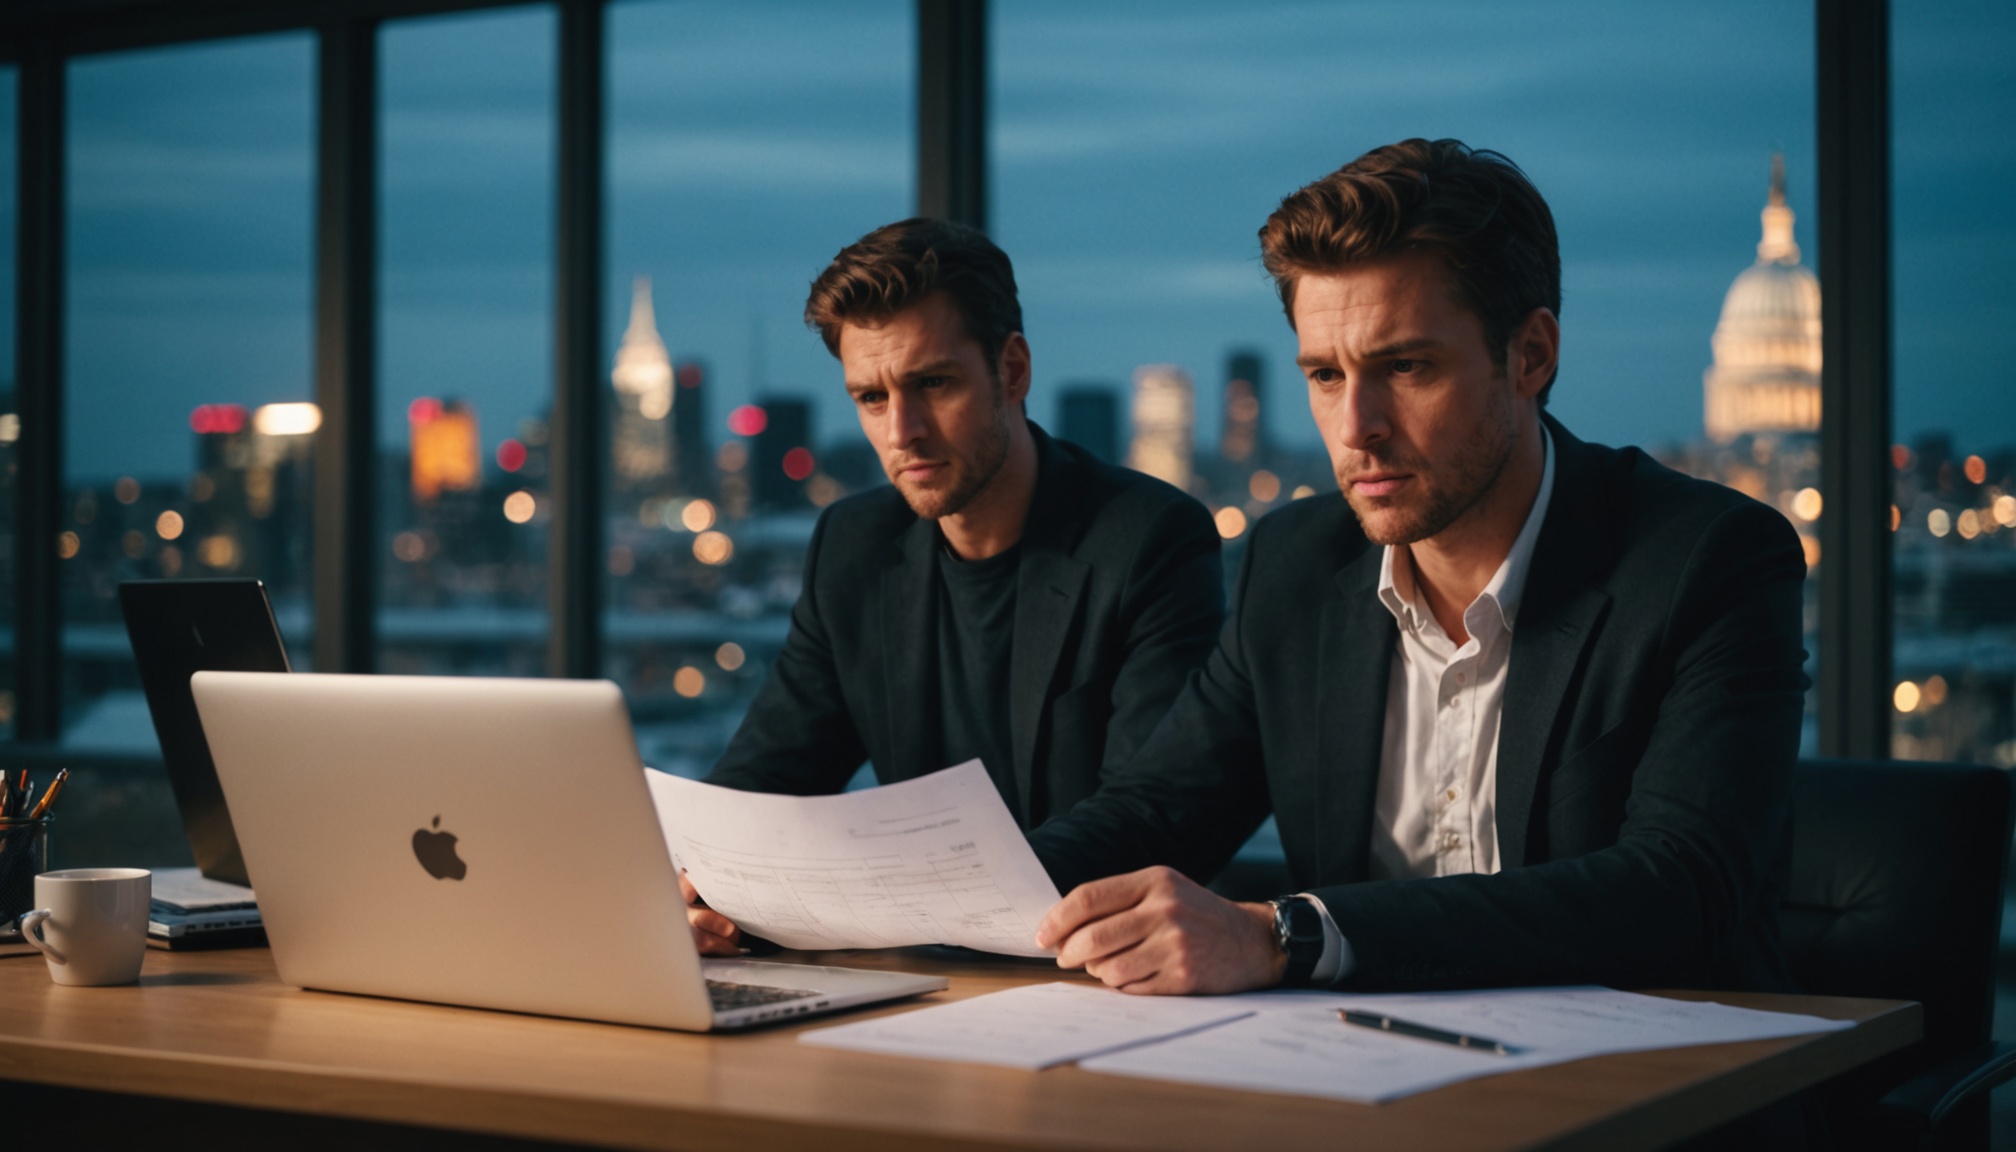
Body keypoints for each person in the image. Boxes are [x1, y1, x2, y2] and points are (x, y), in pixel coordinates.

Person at [1029, 139, 1809, 999]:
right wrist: (918, 899)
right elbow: (1152, 812)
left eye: (1405, 367)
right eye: (1326, 375)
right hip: (1365, 1090)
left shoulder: (1708, 559)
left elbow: (1679, 894)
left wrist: (1288, 935)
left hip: (1655, 1096)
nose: (1356, 425)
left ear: (1530, 356)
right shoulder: (1294, 566)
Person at [688, 218, 1226, 955]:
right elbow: (766, 776)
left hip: (1091, 975)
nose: (901, 430)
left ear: (1012, 371)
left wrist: (904, 894)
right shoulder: (854, 547)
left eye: (931, 384)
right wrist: (701, 879)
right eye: (870, 398)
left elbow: (1151, 816)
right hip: (912, 978)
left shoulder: (1148, 538)